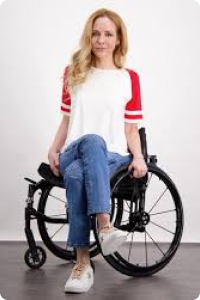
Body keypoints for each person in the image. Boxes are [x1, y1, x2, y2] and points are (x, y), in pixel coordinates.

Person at [48, 8, 148, 293]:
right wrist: (54, 148)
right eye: (95, 33)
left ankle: (82, 266)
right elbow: (67, 120)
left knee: (80, 173)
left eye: (108, 34)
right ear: (88, 37)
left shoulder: (130, 78)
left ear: (118, 40)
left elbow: (130, 128)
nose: (101, 39)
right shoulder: (74, 72)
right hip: (74, 150)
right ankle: (105, 226)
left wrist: (138, 156)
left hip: (113, 156)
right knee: (91, 141)